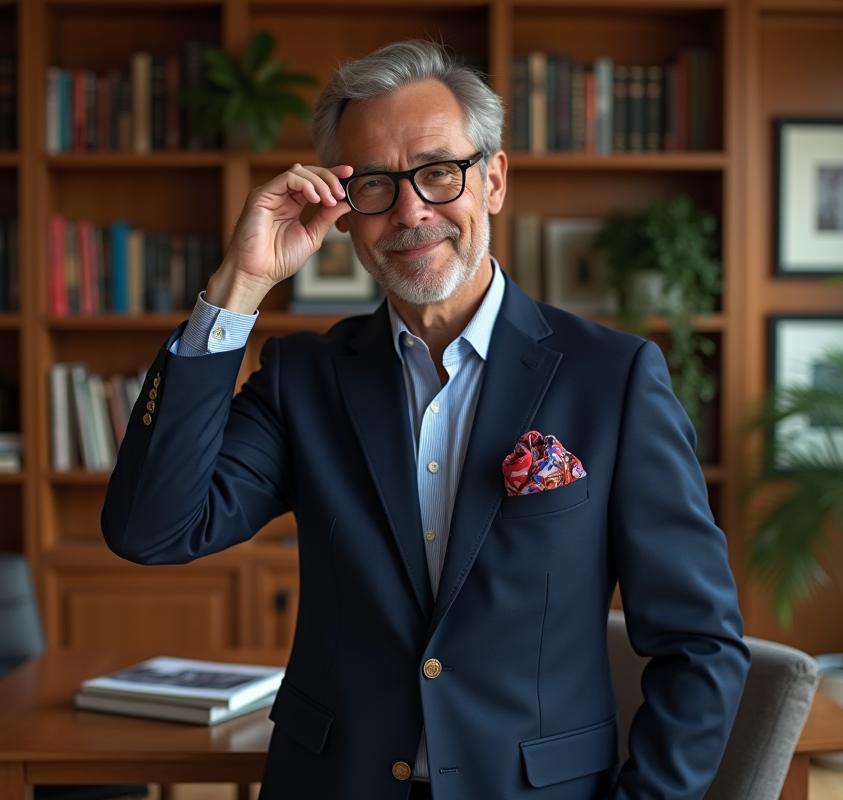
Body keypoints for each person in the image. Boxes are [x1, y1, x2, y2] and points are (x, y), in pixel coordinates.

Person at [102, 39, 749, 800]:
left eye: (439, 172)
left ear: (494, 180)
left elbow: (699, 644)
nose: (411, 212)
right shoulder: (303, 381)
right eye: (374, 184)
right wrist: (238, 286)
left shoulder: (613, 378)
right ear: (342, 214)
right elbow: (153, 529)